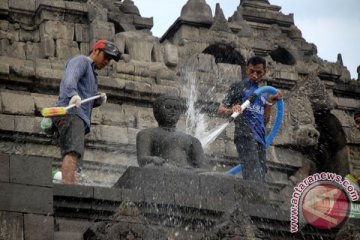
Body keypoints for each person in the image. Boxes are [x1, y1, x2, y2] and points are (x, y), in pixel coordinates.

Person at [53, 39, 121, 184]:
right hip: (71, 114)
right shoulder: (81, 61)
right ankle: (69, 189)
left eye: (110, 60)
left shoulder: (93, 74)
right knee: (72, 151)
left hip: (78, 117)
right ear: (96, 50)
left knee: (76, 157)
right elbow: (70, 78)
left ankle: (73, 189)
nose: (107, 62)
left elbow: (85, 99)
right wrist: (73, 94)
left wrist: (97, 100)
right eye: (106, 57)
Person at [218, 56, 282, 182]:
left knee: (261, 172)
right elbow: (220, 110)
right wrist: (232, 110)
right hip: (244, 135)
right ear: (247, 70)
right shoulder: (239, 86)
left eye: (258, 72)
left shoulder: (263, 93)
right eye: (251, 71)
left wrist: (269, 103)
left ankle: (255, 198)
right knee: (253, 173)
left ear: (264, 72)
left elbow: (264, 121)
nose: (254, 75)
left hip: (260, 140)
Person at [136, 95, 204, 169]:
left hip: (187, 170)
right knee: (151, 167)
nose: (173, 111)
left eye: (176, 108)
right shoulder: (147, 133)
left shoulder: (192, 140)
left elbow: (203, 166)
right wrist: (153, 159)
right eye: (168, 107)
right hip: (164, 167)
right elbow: (142, 159)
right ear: (158, 110)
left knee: (214, 175)